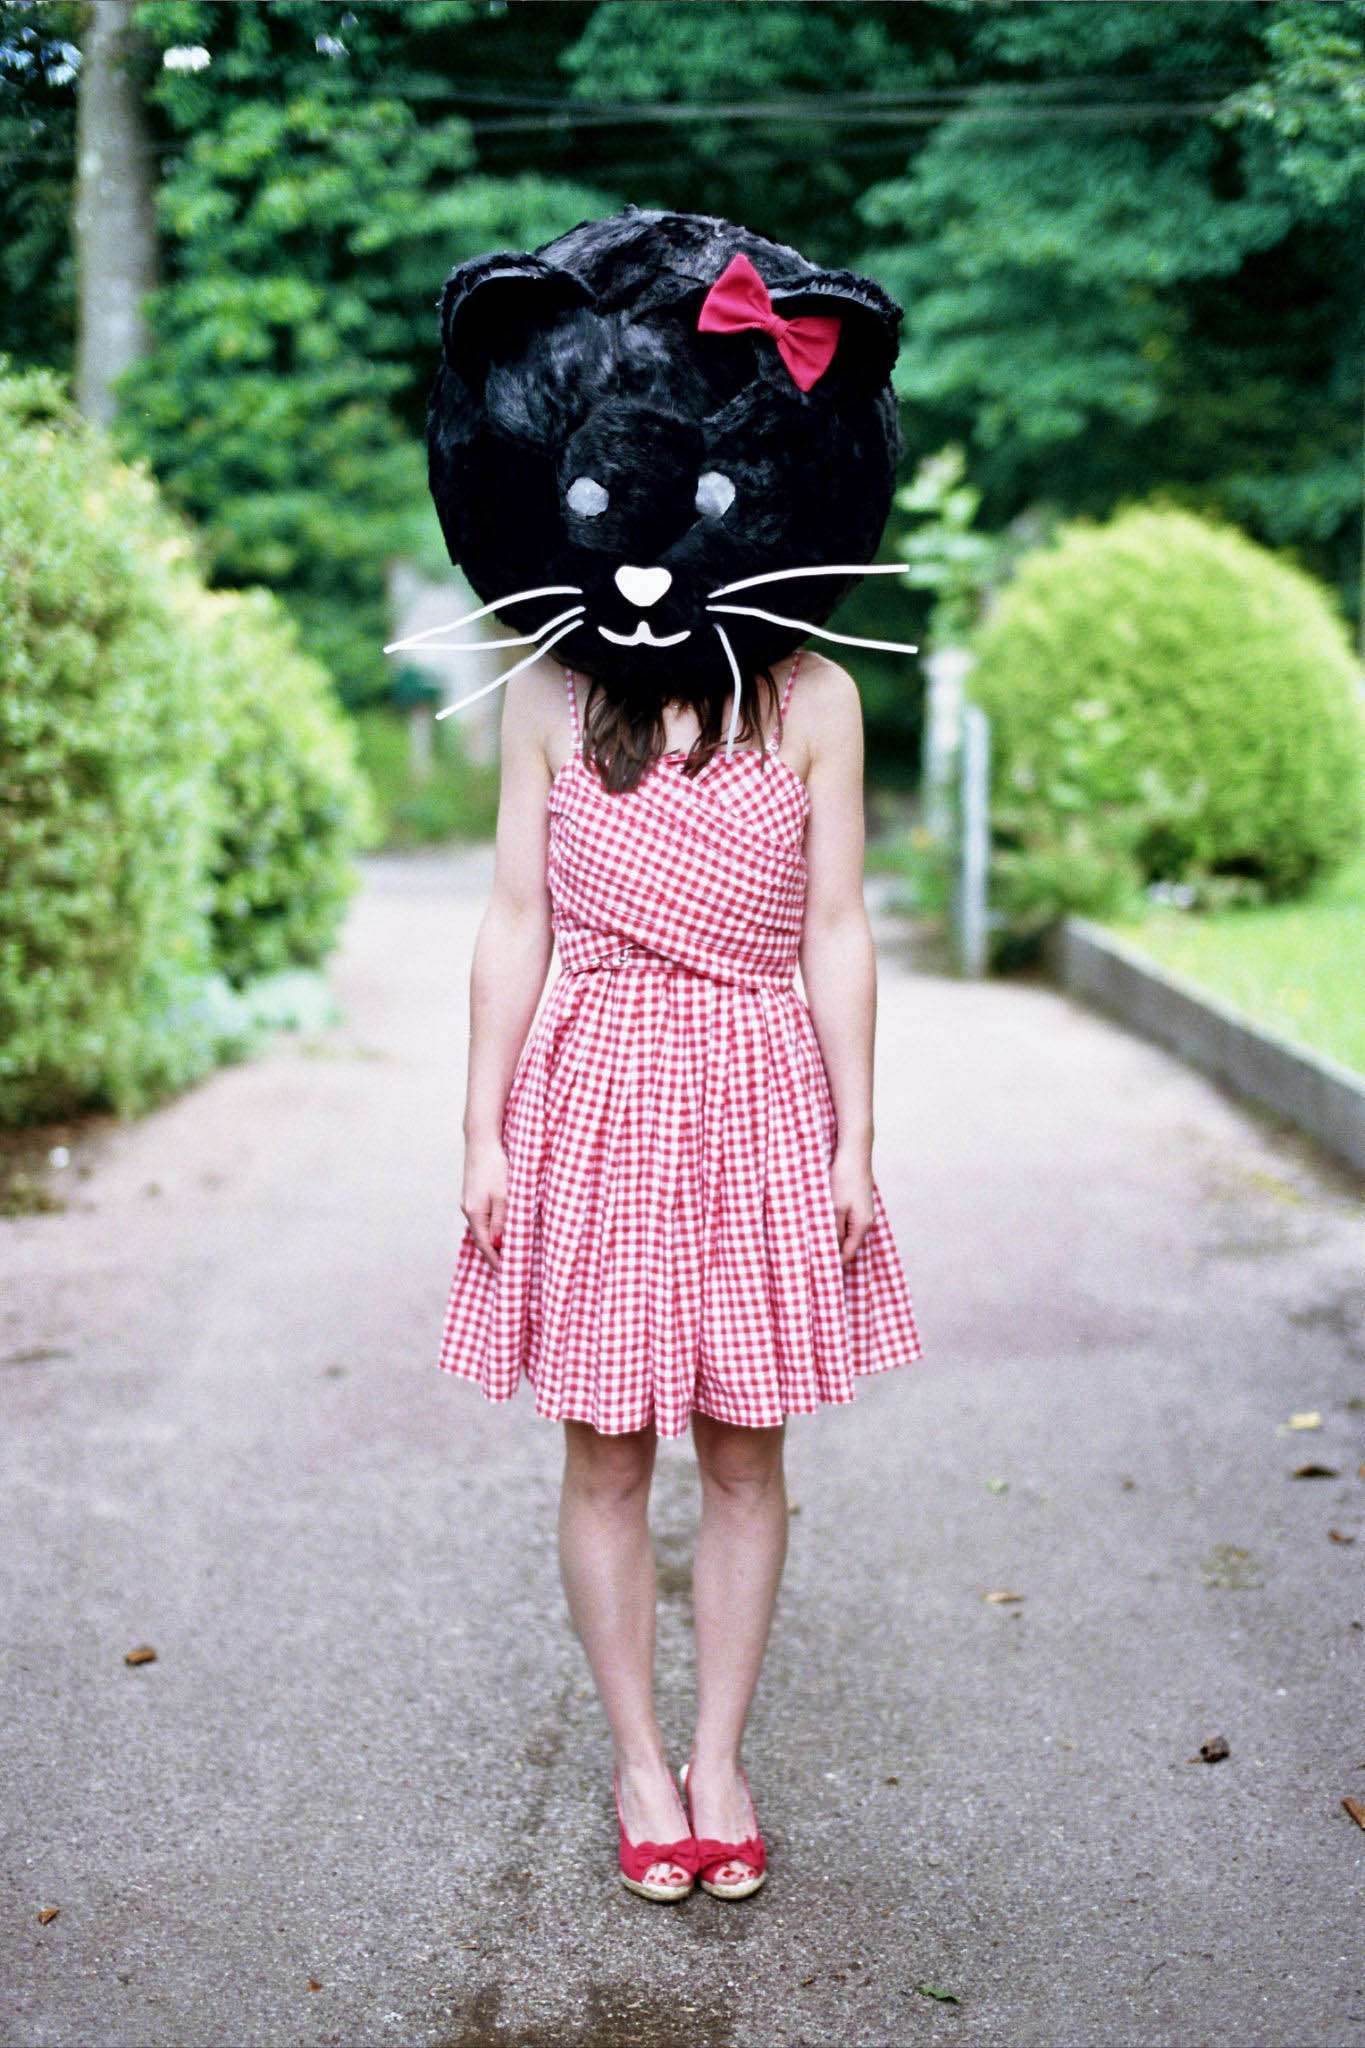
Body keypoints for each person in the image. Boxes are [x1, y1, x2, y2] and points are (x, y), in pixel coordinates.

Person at [436, 642, 924, 1902]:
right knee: (605, 1450)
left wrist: (856, 1134)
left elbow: (835, 922)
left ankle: (721, 1762)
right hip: (596, 1087)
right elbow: (517, 914)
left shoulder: (812, 695)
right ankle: (642, 1767)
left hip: (760, 1084)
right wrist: (482, 1127)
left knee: (746, 1448)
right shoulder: (550, 690)